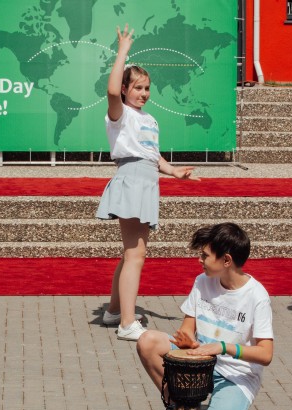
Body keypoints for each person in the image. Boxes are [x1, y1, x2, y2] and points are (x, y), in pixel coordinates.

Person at [96, 25, 198, 341]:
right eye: (137, 87)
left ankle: (115, 312)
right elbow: (111, 92)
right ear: (125, 89)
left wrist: (173, 171)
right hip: (131, 181)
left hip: (147, 181)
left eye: (147, 88)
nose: (143, 93)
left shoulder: (149, 119)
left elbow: (153, 155)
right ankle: (127, 323)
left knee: (131, 254)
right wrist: (122, 51)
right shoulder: (120, 114)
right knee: (135, 256)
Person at [137, 223, 274, 410]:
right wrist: (188, 341)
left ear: (226, 260)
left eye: (205, 255)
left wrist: (223, 347)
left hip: (236, 375)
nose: (199, 260)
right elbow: (187, 329)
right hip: (199, 362)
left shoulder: (257, 296)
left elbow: (265, 355)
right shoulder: (202, 281)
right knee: (147, 341)